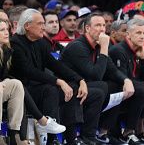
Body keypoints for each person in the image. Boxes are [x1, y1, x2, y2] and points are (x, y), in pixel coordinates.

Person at [11, 9, 104, 145]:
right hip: (24, 91)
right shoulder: (16, 43)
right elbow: (29, 71)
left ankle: (71, 139)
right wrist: (58, 81)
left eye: (43, 23)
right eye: (40, 24)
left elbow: (56, 65)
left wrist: (80, 79)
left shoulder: (40, 42)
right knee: (51, 89)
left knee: (72, 88)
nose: (43, 27)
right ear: (27, 26)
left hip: (39, 88)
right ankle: (52, 139)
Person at [61, 13, 136, 144]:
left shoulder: (97, 45)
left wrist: (126, 80)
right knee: (101, 88)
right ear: (87, 28)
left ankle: (104, 132)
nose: (102, 29)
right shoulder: (78, 46)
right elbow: (95, 75)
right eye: (97, 25)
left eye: (103, 25)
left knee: (117, 87)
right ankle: (87, 136)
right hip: (69, 88)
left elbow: (112, 69)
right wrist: (104, 48)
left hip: (86, 86)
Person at [109, 18, 144, 143]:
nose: (142, 36)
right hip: (118, 90)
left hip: (134, 89)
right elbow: (123, 79)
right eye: (138, 33)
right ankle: (128, 132)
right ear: (128, 34)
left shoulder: (139, 50)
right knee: (143, 90)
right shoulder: (119, 50)